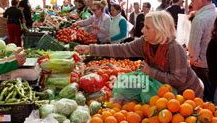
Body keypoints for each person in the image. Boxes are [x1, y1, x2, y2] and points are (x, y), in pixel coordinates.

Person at [74, 11, 203, 97]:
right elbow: (120, 49)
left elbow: (178, 80)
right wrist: (90, 49)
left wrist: (151, 72)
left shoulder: (174, 49)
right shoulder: (144, 43)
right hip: (167, 93)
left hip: (187, 95)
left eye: (147, 27)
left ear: (159, 30)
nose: (142, 30)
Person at [188, 0, 217, 100]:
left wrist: (192, 60)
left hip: (203, 66)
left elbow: (193, 46)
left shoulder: (200, 18)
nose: (191, 3)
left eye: (192, 0)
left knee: (206, 98)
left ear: (201, 1)